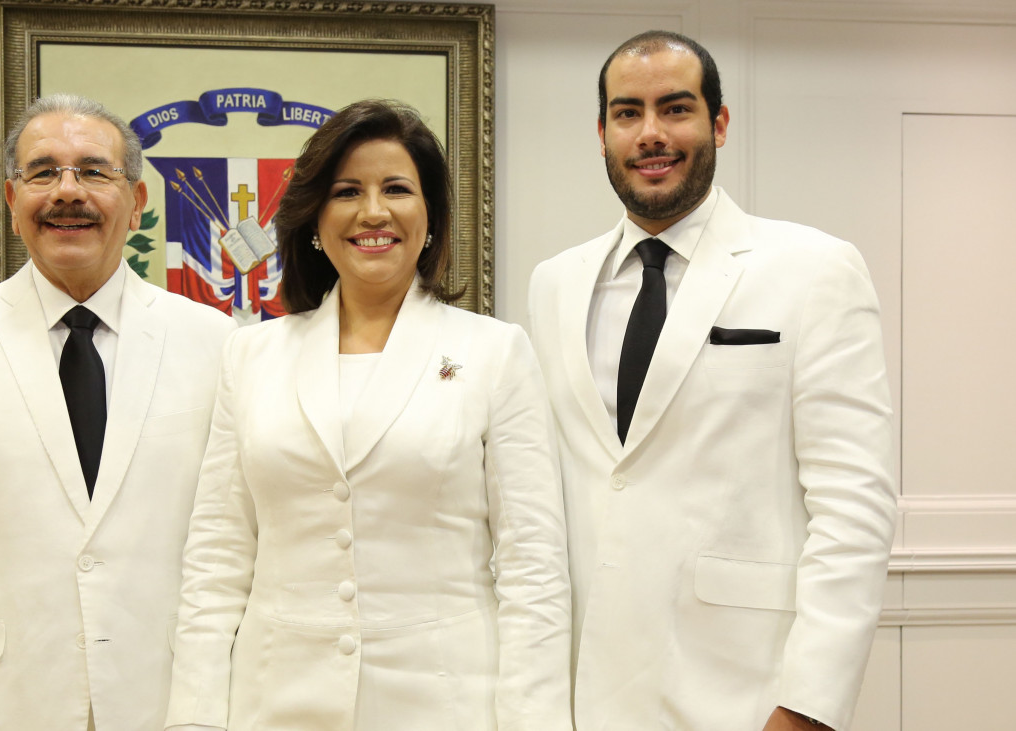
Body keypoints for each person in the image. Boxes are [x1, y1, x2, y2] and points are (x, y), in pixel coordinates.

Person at [162, 99, 572, 731]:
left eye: (396, 189)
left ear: (430, 216)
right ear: (315, 219)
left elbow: (533, 567)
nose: (373, 212)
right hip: (274, 700)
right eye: (347, 191)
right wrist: (194, 717)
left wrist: (533, 720)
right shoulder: (250, 354)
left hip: (445, 703)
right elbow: (217, 559)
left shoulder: (495, 352)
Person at [528, 31, 897, 731]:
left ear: (719, 123)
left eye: (676, 108)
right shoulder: (554, 284)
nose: (651, 133)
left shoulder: (815, 269)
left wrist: (809, 705)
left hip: (744, 691)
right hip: (583, 689)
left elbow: (855, 506)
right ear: (602, 134)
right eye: (628, 113)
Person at [0, 93, 235, 730]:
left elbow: (229, 554)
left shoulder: (216, 342)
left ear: (136, 202)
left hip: (164, 700)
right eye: (43, 172)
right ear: (13, 202)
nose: (68, 191)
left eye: (93, 171)